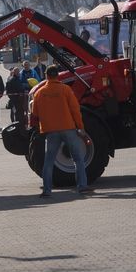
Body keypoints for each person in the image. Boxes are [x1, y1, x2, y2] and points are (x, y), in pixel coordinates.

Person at [31, 65, 93, 197]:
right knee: (78, 159)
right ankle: (82, 187)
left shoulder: (39, 93)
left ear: (46, 76)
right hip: (68, 128)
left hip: (51, 131)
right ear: (57, 75)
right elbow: (75, 110)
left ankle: (47, 191)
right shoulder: (66, 89)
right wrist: (80, 127)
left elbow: (35, 113)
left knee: (49, 162)